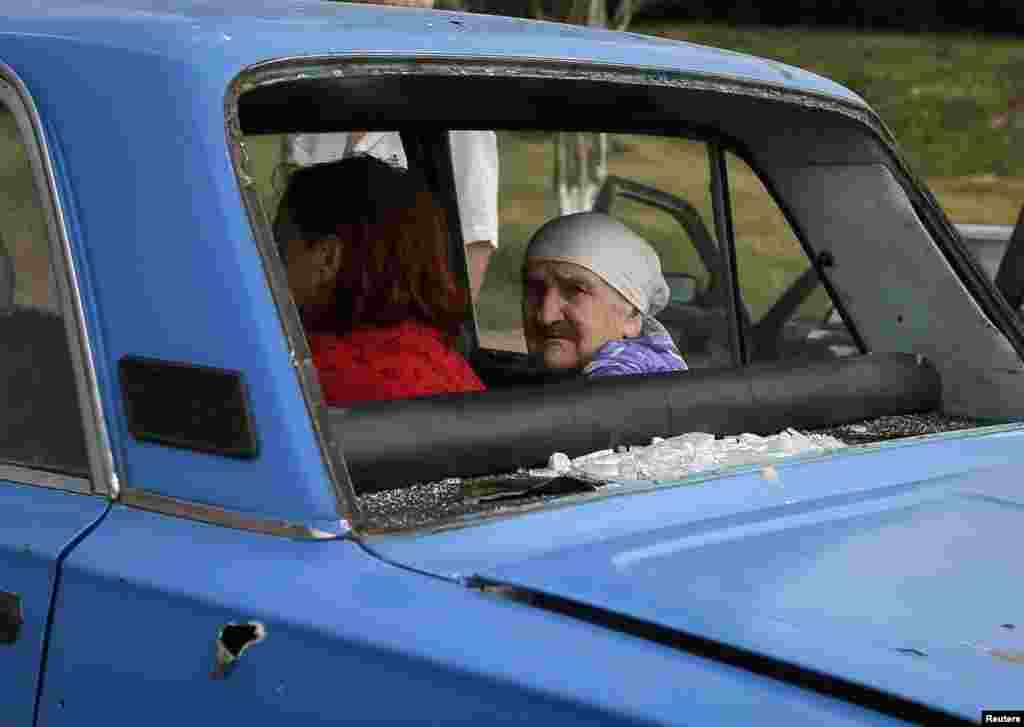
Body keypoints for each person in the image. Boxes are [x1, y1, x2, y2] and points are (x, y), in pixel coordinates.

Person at [283, 0, 498, 300]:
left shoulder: (456, 107)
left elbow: (473, 242)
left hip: (398, 316)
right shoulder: (311, 94)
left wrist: (445, 333)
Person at [279, 156, 485, 405]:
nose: (266, 261)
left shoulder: (301, 376)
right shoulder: (448, 363)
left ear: (327, 258)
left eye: (278, 247)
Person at [522, 212, 688, 378]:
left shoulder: (626, 381)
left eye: (575, 290)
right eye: (535, 290)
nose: (545, 316)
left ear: (632, 315)